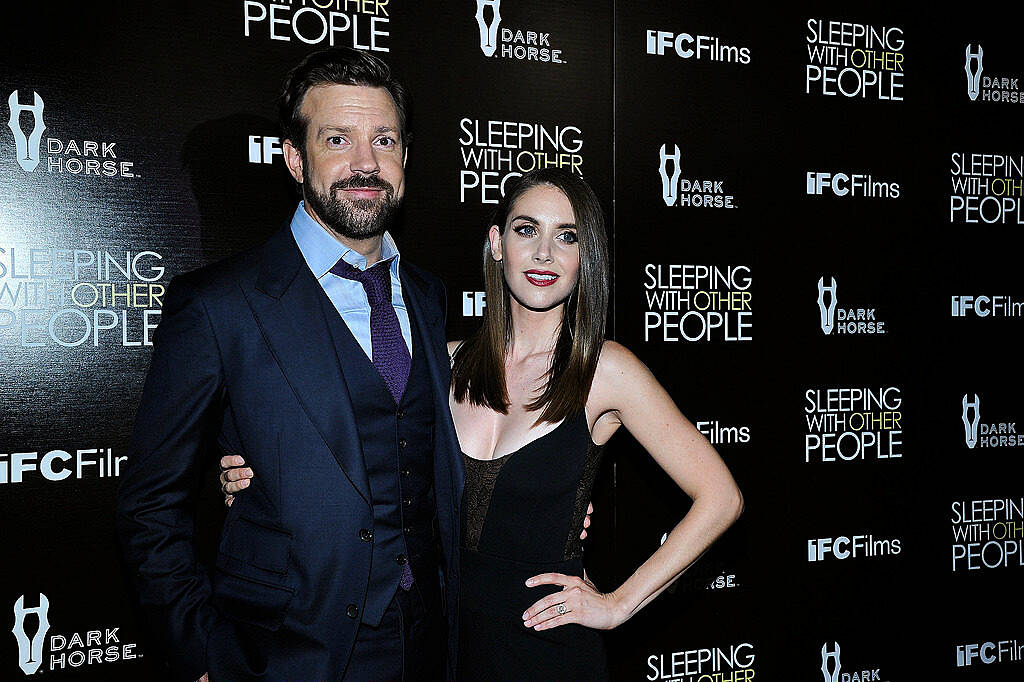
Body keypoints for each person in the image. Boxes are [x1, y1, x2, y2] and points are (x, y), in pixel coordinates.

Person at [222, 168, 744, 679]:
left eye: (567, 236)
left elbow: (721, 497)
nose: (544, 254)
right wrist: (256, 475)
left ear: (586, 256)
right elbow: (353, 457)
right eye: (526, 230)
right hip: (441, 643)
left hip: (549, 651)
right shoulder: (440, 363)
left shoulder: (606, 372)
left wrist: (618, 604)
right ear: (497, 243)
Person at [116, 47, 462, 681]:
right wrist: (203, 655)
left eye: (384, 140)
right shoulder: (219, 305)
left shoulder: (429, 297)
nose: (366, 163)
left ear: (405, 159)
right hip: (285, 653)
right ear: (295, 159)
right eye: (339, 139)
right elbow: (150, 506)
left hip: (431, 642)